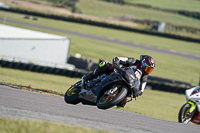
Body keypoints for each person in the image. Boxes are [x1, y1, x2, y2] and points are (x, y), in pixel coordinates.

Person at [80, 55, 155, 108]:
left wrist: (139, 93)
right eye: (147, 68)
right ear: (143, 63)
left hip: (128, 82)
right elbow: (120, 59)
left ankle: (108, 100)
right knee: (106, 66)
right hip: (118, 72)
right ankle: (89, 76)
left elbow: (142, 88)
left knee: (122, 104)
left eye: (150, 70)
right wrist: (117, 62)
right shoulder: (134, 61)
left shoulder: (144, 76)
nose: (147, 71)